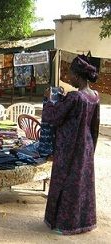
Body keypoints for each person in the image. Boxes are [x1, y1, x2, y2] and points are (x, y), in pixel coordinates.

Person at [43, 54, 100, 235]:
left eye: (70, 75)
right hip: (86, 146)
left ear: (78, 76)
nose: (68, 78)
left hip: (70, 148)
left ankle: (65, 224)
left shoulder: (76, 97)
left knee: (66, 184)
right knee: (81, 185)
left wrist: (49, 99)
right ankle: (83, 223)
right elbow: (95, 126)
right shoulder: (95, 96)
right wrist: (92, 149)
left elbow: (55, 116)